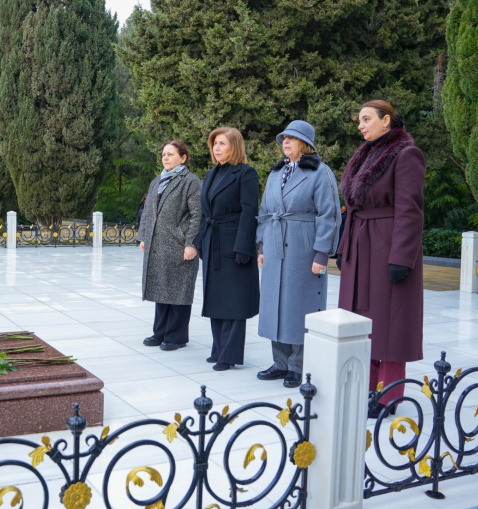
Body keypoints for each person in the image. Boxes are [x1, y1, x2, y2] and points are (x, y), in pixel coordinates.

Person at [338, 100, 425, 418]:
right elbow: (354, 206)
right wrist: (343, 245)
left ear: (386, 121)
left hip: (387, 246)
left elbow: (410, 210)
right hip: (361, 246)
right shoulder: (366, 155)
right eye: (358, 119)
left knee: (388, 325)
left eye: (366, 119)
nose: (360, 125)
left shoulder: (406, 155)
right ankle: (365, 388)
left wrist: (402, 257)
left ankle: (387, 397)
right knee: (361, 321)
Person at [256, 121, 341, 388]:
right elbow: (265, 210)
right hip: (274, 242)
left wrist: (321, 253)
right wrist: (261, 245)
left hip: (303, 248)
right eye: (284, 138)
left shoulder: (320, 172)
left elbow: (330, 215)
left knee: (299, 305)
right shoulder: (275, 173)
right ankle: (280, 362)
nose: (286, 142)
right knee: (275, 304)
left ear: (305, 143)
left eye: (292, 138)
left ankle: (298, 364)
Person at [193, 127, 260, 371]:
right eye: (214, 144)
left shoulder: (246, 174)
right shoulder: (212, 174)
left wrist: (244, 246)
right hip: (213, 240)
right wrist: (200, 240)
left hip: (233, 242)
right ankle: (218, 348)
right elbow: (205, 211)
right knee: (216, 297)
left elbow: (249, 211)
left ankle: (229, 354)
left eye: (222, 143)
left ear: (235, 146)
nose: (217, 148)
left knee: (233, 300)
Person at [138, 141, 202, 351]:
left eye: (171, 154)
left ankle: (176, 336)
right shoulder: (157, 181)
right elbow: (148, 212)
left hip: (179, 243)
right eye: (164, 154)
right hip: (158, 243)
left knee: (178, 291)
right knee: (161, 288)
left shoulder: (190, 182)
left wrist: (191, 243)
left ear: (183, 158)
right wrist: (144, 237)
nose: (166, 158)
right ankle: (160, 332)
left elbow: (197, 215)